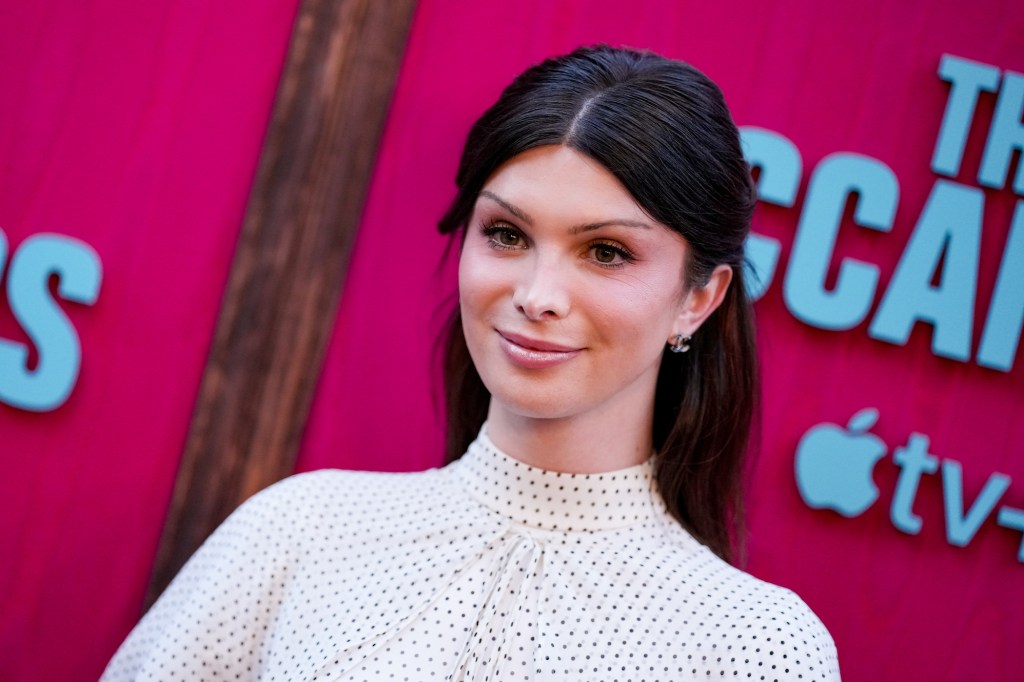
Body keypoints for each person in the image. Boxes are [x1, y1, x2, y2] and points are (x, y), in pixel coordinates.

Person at [103, 45, 841, 681]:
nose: (537, 295)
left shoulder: (756, 648)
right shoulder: (301, 533)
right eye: (507, 235)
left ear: (699, 299)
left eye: (606, 252)